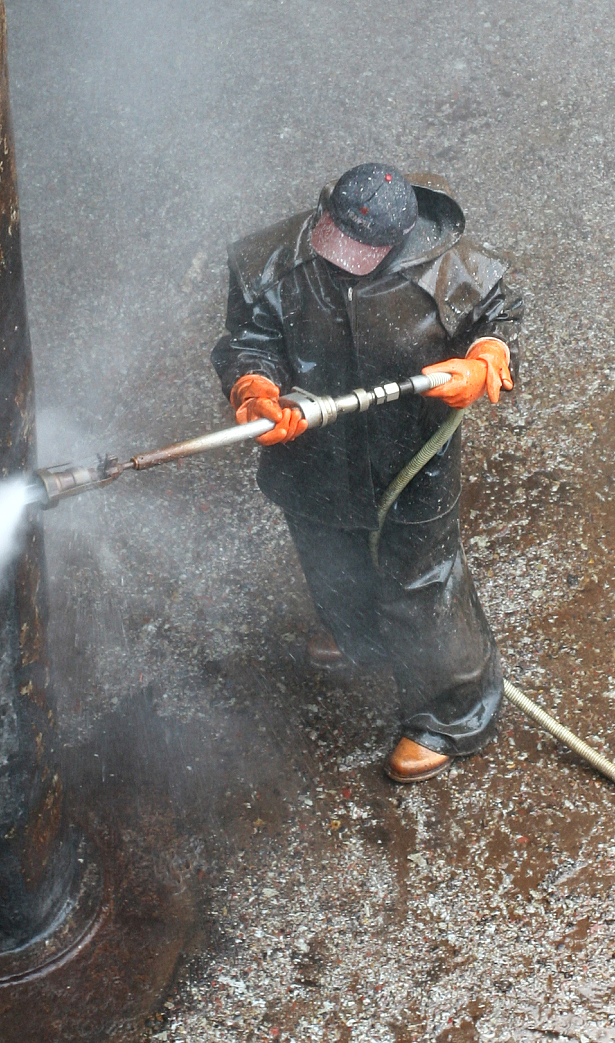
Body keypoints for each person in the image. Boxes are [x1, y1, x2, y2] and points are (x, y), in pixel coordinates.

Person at [212, 165, 521, 782]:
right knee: (329, 558)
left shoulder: (450, 267)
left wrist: (486, 358)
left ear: (400, 238)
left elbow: (498, 313)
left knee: (421, 581)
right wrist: (254, 386)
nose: (341, 263)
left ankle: (452, 714)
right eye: (336, 239)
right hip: (312, 453)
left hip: (410, 455)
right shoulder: (271, 261)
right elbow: (249, 338)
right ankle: (363, 640)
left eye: (362, 252)